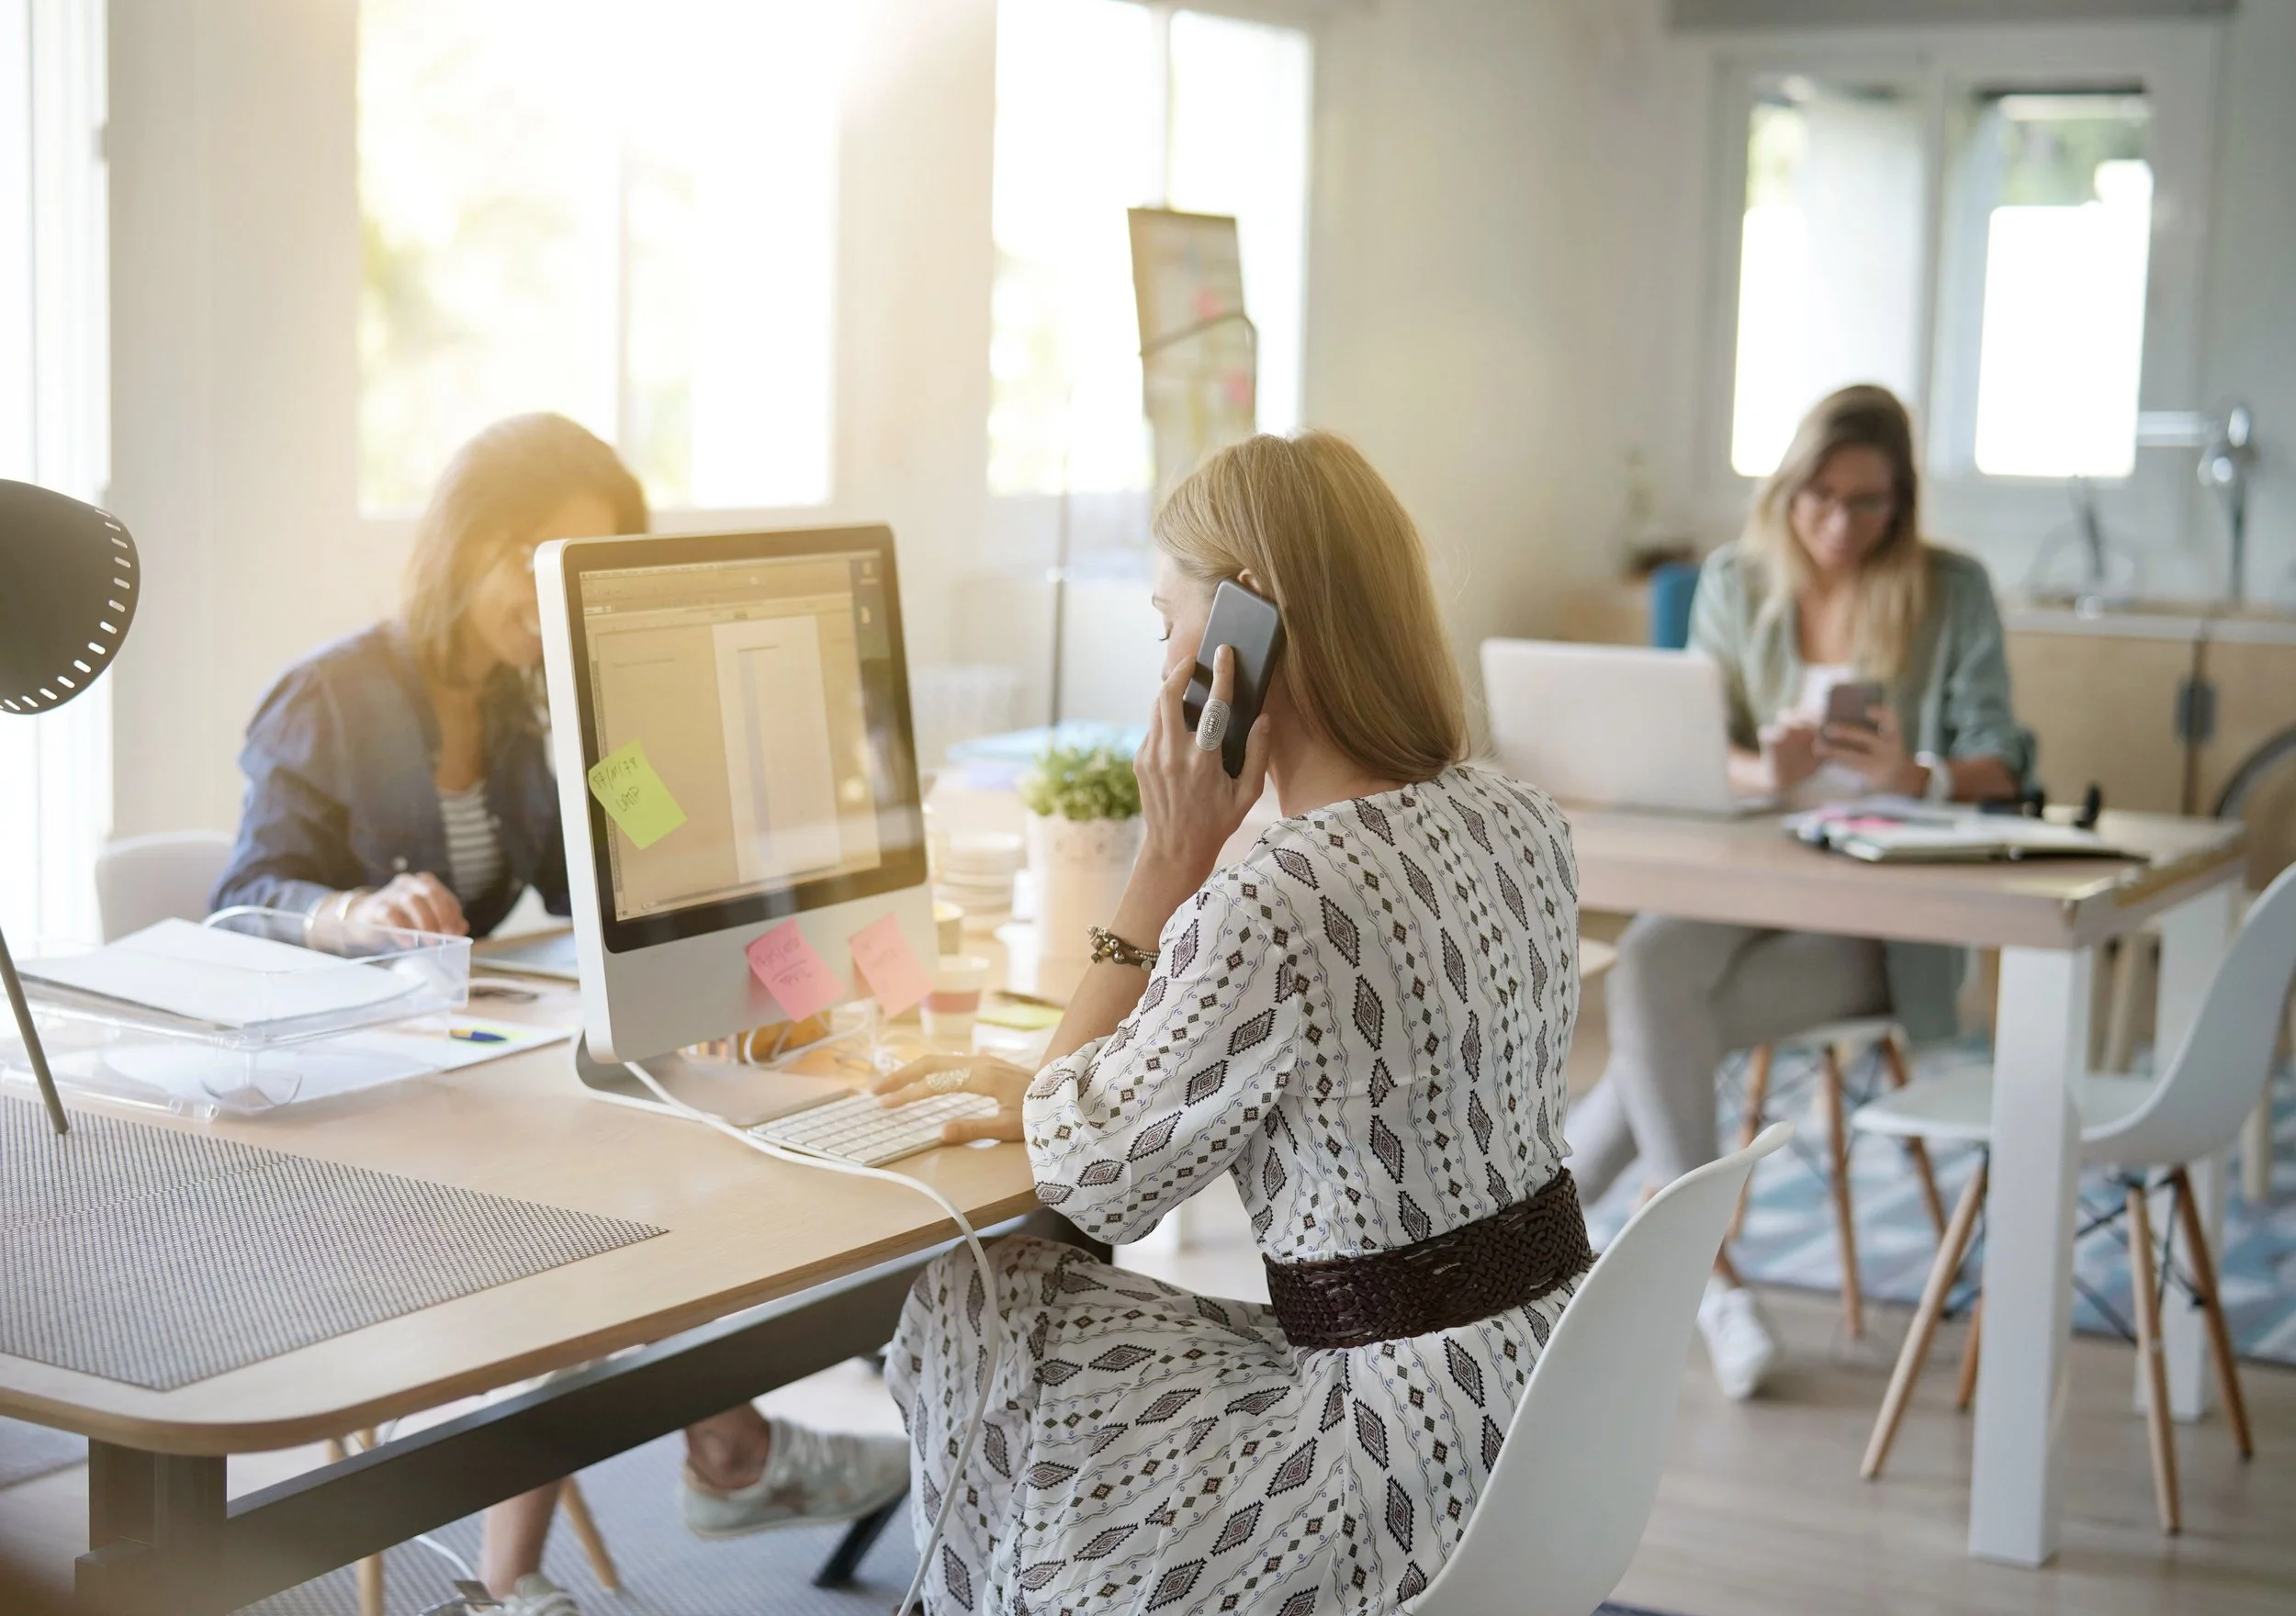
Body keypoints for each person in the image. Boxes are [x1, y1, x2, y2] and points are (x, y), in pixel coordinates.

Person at [873, 432, 1586, 1616]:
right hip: (1540, 1404)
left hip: (1384, 1456)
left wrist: (1167, 862)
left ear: (1242, 639)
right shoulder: (1519, 814)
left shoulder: (1277, 893)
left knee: (974, 1291)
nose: (1161, 661)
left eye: (1167, 624)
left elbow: (1087, 1176)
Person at [213, 412, 908, 1615]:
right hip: (343, 1118)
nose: (545, 597)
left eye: (570, 569)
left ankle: (547, 1562)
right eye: (528, 558)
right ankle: (727, 1451)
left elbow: (650, 841)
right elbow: (243, 903)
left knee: (633, 1183)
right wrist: (358, 911)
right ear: (464, 544)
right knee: (595, 1212)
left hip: (467, 1083)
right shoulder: (329, 698)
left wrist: (781, 950)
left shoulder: (548, 710)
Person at [1567, 385, 2033, 1401]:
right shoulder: (1736, 581)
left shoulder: (1951, 589)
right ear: (1787, 490)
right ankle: (1708, 1276)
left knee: (1662, 1024)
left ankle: (1553, 1231)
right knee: (1650, 962)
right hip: (1750, 874)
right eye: (1819, 497)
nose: (1838, 524)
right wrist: (1756, 769)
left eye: (1867, 503)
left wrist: (1920, 776)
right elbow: (1696, 744)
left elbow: (2000, 754)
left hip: (1880, 914)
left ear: (1900, 503)